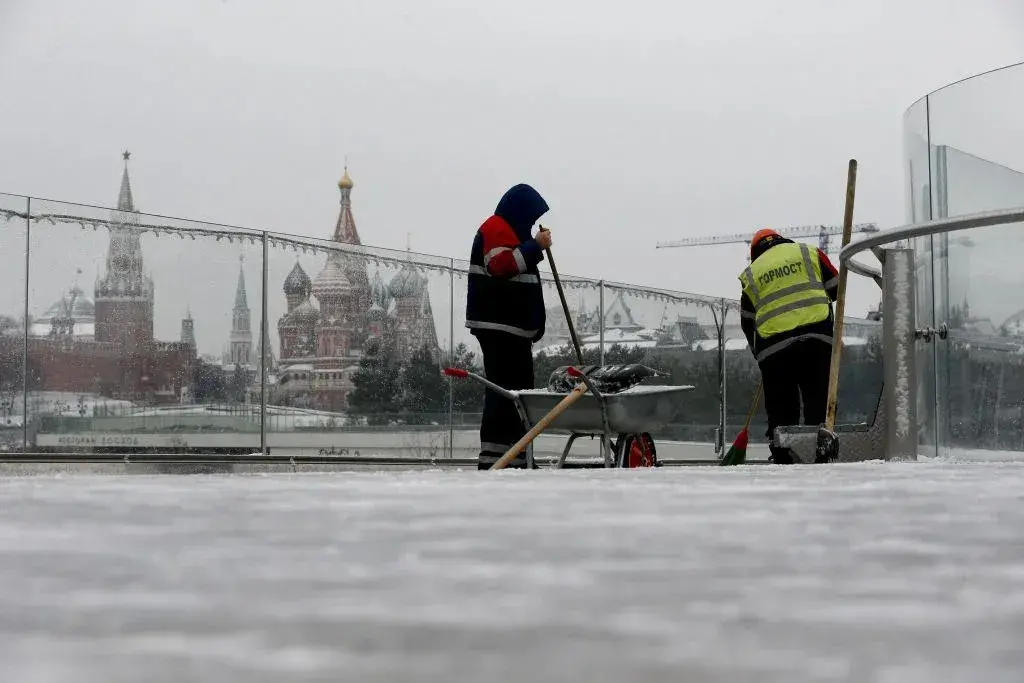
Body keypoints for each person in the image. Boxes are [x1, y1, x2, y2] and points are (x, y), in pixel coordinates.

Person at [465, 184, 552, 470]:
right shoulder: (497, 228)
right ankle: (498, 458)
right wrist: (535, 246)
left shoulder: (509, 231)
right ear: (521, 212)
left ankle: (516, 456)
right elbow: (501, 264)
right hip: (499, 327)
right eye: (530, 217)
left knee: (519, 393)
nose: (532, 224)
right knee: (507, 394)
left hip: (511, 330)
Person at [739, 229, 840, 464]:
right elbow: (837, 287)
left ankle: (783, 457)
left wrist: (760, 357)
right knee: (818, 400)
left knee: (781, 409)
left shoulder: (751, 273)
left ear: (755, 252)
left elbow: (747, 322)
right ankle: (822, 452)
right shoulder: (808, 252)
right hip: (817, 339)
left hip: (774, 350)